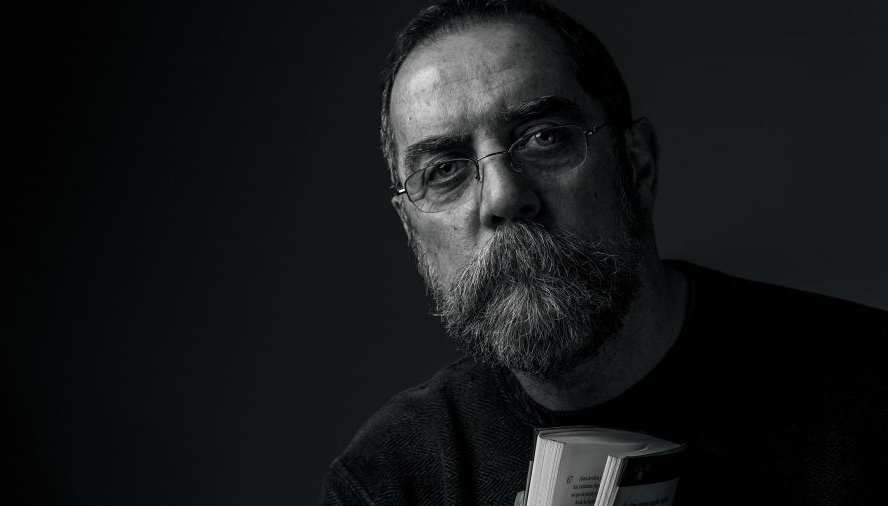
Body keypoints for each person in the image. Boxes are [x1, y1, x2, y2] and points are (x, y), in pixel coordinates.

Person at [320, 0, 888, 503]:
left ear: (637, 165)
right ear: (411, 226)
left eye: (544, 137)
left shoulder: (872, 391)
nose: (503, 197)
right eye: (444, 170)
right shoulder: (389, 479)